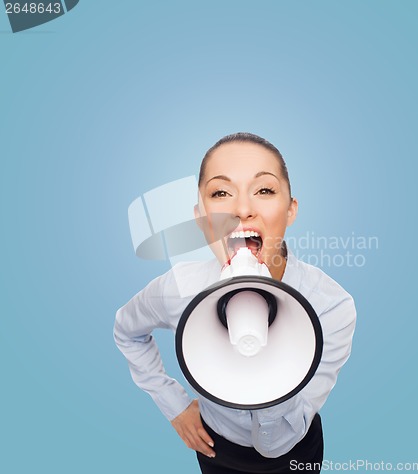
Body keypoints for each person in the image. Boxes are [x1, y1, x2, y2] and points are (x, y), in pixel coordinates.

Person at [114, 132, 356, 473]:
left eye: (265, 190)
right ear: (201, 219)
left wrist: (265, 369)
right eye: (221, 193)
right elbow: (127, 331)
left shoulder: (331, 306)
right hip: (215, 448)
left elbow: (276, 446)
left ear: (290, 211)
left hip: (295, 450)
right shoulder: (179, 289)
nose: (242, 210)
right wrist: (174, 406)